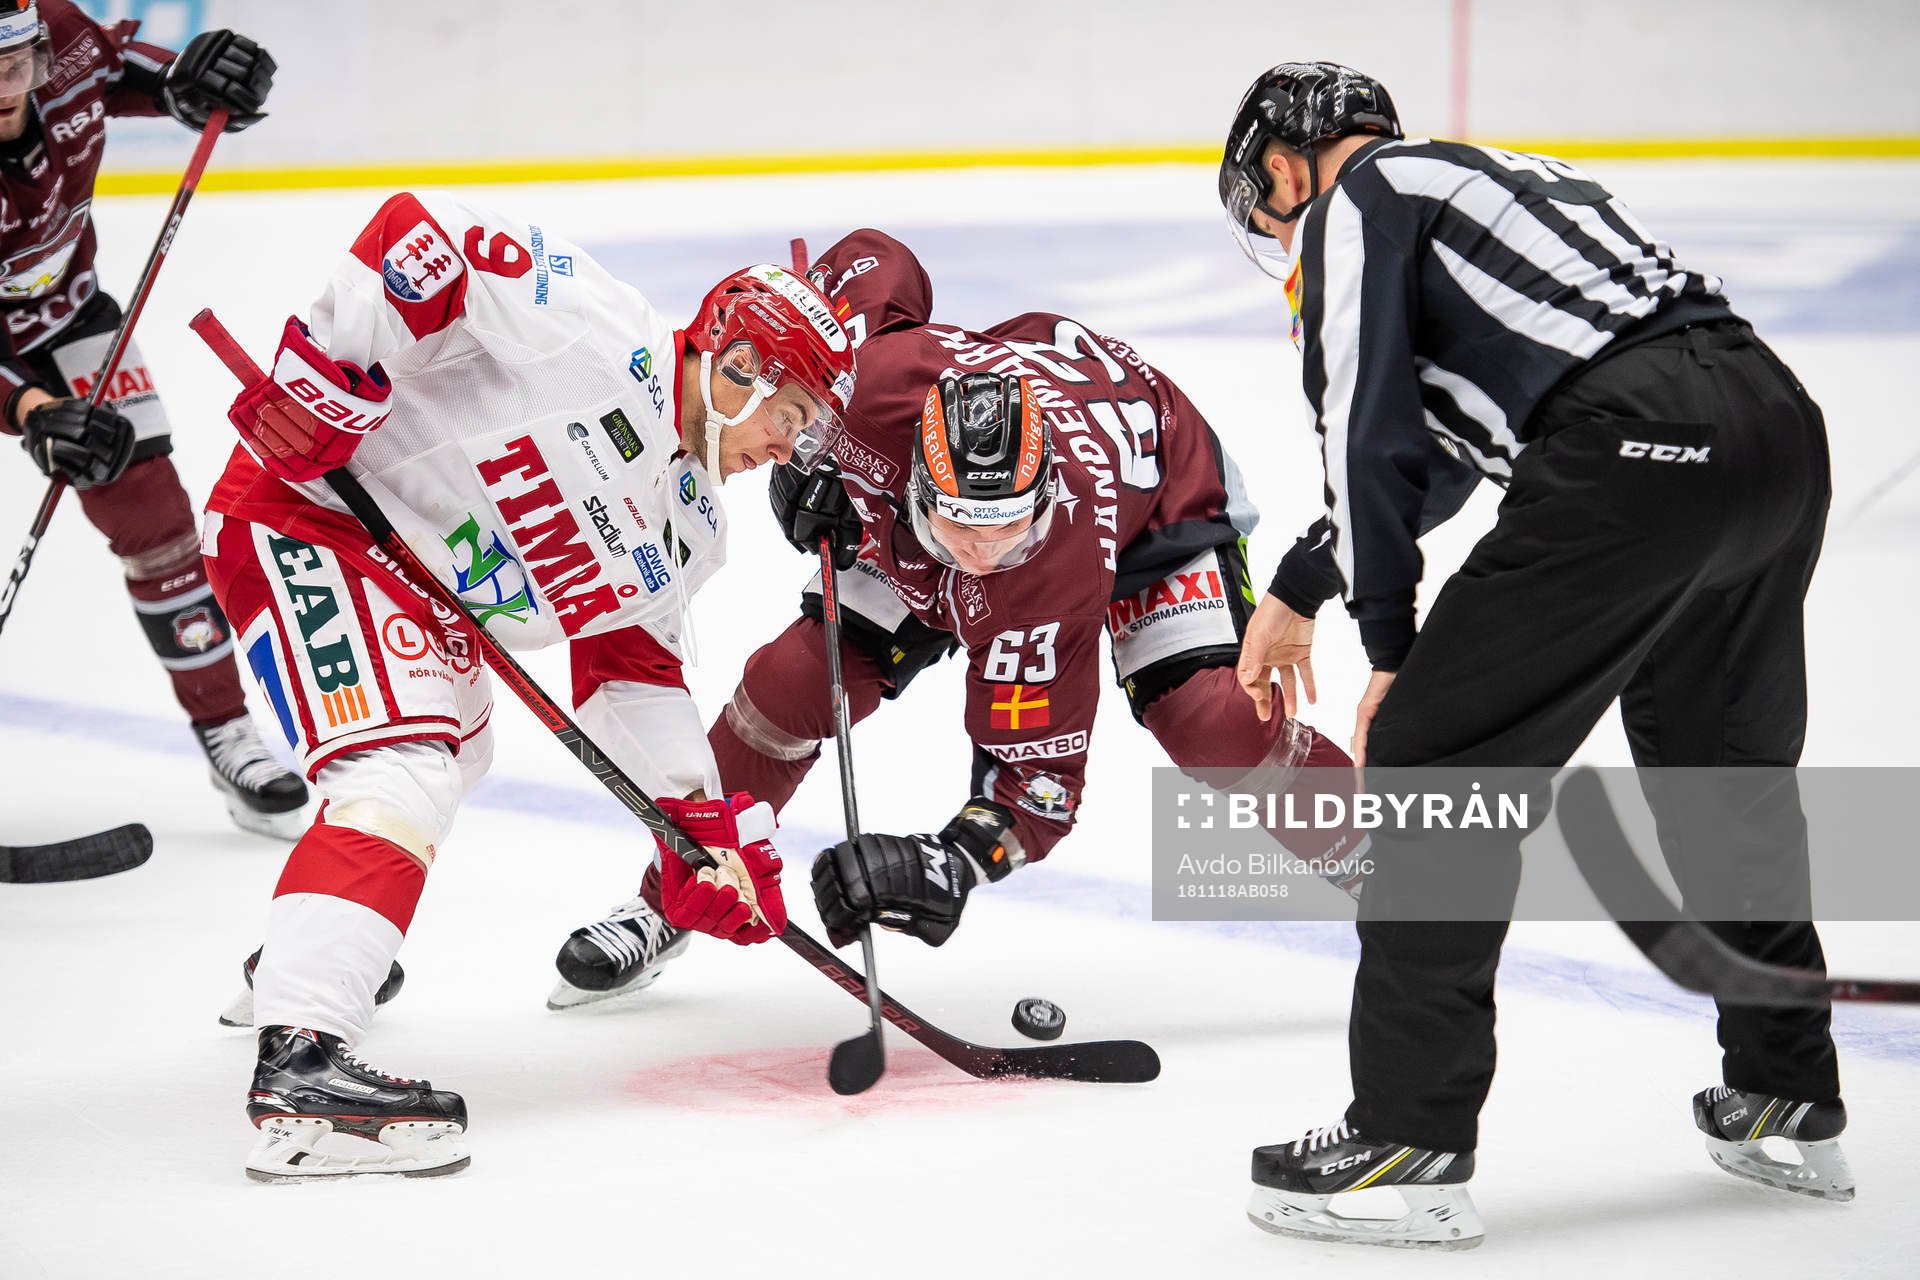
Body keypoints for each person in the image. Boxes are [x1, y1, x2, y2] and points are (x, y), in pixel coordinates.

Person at [1218, 62, 1845, 1248]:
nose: (1282, 233)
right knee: (1721, 777)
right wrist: (1303, 584)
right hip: (1772, 426)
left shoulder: (1358, 201)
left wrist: (1391, 648)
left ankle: (1406, 1135)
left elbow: (1367, 433)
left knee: (1432, 763)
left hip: (1633, 452)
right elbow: (1456, 444)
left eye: (1270, 207)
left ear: (1287, 168)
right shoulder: (1487, 183)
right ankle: (1787, 1090)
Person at [199, 188, 856, 1179]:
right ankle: (302, 1062)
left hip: (413, 590)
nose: (789, 450)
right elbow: (423, 236)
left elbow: (630, 668)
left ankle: (315, 948)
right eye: (794, 415)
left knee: (446, 758)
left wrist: (695, 821)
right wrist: (329, 369)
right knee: (401, 767)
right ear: (737, 367)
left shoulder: (693, 527)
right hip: (306, 516)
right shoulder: (594, 330)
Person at [547, 228, 1359, 1008]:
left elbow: (1038, 787)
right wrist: (811, 452)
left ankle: (1394, 866)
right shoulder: (869, 389)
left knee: (1214, 723)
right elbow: (874, 259)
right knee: (792, 681)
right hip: (963, 484)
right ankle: (673, 894)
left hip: (1160, 503)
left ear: (1042, 498)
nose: (981, 553)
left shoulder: (1046, 576)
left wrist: (950, 863)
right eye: (963, 526)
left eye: (1007, 528)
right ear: (914, 482)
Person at [0, 0, 305, 836]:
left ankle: (226, 728)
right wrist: (31, 408)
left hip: (70, 316)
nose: (7, 88)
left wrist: (192, 83)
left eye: (17, 64)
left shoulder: (64, 36)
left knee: (158, 519)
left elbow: (119, 74)